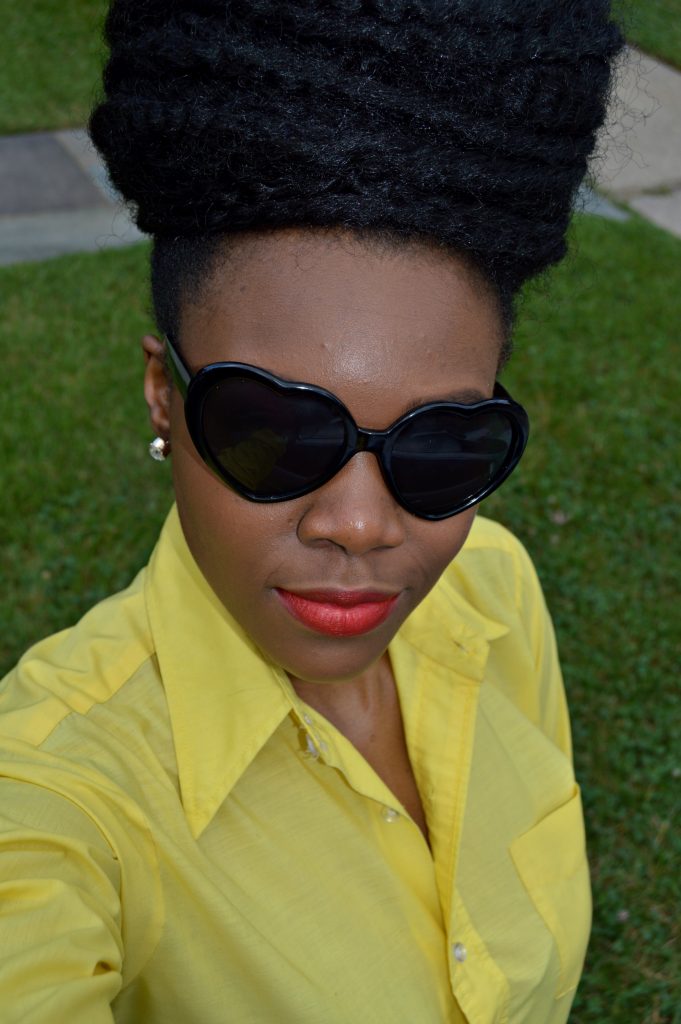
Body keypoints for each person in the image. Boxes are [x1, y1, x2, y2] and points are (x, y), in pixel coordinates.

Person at [0, 2, 623, 1022]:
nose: (362, 524)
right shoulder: (53, 795)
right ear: (164, 394)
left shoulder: (497, 583)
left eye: (442, 446)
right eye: (275, 430)